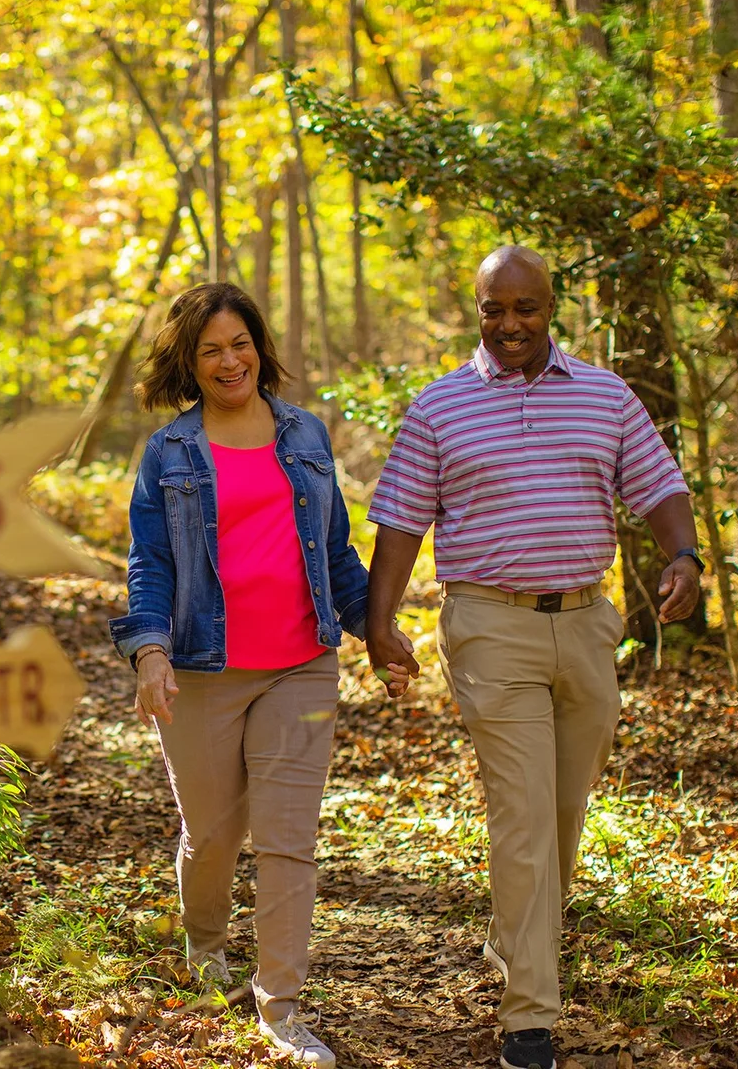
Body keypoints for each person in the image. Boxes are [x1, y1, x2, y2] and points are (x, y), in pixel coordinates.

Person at [362, 246, 702, 1069]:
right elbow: (402, 524)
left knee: (561, 813)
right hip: (489, 625)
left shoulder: (606, 394)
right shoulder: (440, 407)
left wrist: (685, 556)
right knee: (521, 816)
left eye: (526, 308)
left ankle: (516, 941)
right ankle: (529, 1022)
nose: (510, 324)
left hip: (587, 625)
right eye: (493, 310)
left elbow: (658, 487)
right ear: (476, 311)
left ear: (553, 307)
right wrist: (379, 626)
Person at [109, 282, 409, 1069]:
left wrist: (373, 630)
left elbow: (336, 550)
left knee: (288, 841)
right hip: (204, 668)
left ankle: (281, 1007)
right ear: (190, 362)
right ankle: (206, 946)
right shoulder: (170, 451)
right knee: (212, 836)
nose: (229, 360)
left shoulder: (303, 433)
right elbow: (150, 563)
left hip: (301, 666)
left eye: (239, 343)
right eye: (211, 349)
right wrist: (149, 653)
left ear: (259, 347)